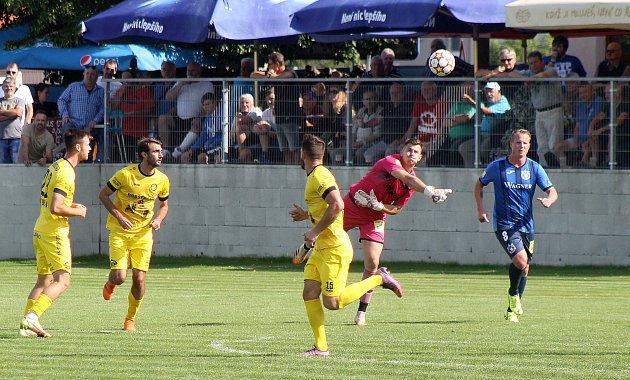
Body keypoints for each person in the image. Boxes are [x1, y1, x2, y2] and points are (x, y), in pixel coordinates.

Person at [288, 133, 403, 356]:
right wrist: (307, 216)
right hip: (321, 249)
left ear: (303, 154)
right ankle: (321, 348)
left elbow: (338, 204)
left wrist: (313, 231)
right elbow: (326, 207)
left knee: (332, 303)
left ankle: (379, 278)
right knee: (309, 292)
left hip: (334, 250)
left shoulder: (319, 177)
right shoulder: (316, 175)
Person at [337, 137, 452, 326]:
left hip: (374, 216)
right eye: (408, 149)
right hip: (354, 205)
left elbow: (396, 209)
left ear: (420, 158)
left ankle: (361, 313)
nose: (411, 153)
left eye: (416, 152)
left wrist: (379, 206)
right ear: (401, 150)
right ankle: (307, 246)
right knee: (325, 232)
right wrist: (431, 192)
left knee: (373, 263)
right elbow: (406, 177)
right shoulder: (390, 161)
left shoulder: (412, 185)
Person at [474, 129, 558, 323]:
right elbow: (479, 185)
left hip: (527, 226)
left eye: (525, 143)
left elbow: (552, 191)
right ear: (511, 144)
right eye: (518, 142)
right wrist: (480, 210)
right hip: (504, 224)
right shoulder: (498, 167)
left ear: (530, 146)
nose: (521, 146)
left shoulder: (535, 168)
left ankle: (511, 310)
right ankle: (513, 294)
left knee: (525, 268)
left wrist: (548, 200)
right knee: (520, 261)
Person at [19, 128, 91, 337]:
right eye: (87, 144)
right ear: (77, 147)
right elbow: (56, 207)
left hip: (40, 228)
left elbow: (53, 199)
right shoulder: (67, 172)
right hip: (54, 232)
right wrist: (77, 211)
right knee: (63, 280)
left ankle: (26, 326)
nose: (90, 148)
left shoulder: (57, 165)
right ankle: (32, 318)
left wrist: (70, 204)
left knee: (43, 281)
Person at [100, 137, 170, 333]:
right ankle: (111, 283)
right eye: (156, 151)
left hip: (143, 235)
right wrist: (119, 216)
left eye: (161, 151)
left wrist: (158, 219)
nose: (161, 154)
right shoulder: (125, 175)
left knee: (139, 278)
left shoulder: (162, 180)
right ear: (144, 155)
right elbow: (103, 195)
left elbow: (164, 205)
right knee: (120, 277)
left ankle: (130, 319)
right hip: (119, 231)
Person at [251, 52, 300, 164]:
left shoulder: (290, 72)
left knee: (294, 148)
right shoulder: (272, 74)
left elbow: (287, 76)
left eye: (270, 64)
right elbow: (252, 75)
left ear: (277, 64)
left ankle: (295, 170)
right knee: (284, 149)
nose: (268, 67)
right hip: (279, 117)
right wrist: (268, 75)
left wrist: (272, 76)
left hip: (290, 117)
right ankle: (288, 169)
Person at [158, 62, 214, 157]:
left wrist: (199, 118)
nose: (190, 73)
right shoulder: (180, 82)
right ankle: (166, 150)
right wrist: (181, 84)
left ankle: (178, 151)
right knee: (163, 118)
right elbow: (168, 97)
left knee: (197, 124)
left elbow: (208, 105)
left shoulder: (206, 84)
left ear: (199, 71)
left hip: (196, 119)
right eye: (188, 70)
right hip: (179, 119)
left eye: (193, 70)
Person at [519, 51, 564, 168]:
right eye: (530, 63)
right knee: (542, 147)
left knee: (553, 145)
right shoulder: (529, 73)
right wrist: (494, 73)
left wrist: (529, 80)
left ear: (541, 62)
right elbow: (512, 74)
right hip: (539, 113)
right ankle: (544, 172)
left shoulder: (550, 70)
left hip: (553, 111)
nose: (533, 66)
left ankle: (556, 170)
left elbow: (543, 76)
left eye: (535, 62)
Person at [57, 66, 105, 162]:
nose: (89, 76)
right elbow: (61, 100)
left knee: (92, 147)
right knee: (67, 132)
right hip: (74, 123)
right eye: (87, 73)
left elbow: (104, 108)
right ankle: (68, 159)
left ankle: (99, 161)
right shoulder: (73, 87)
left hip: (91, 126)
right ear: (83, 74)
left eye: (92, 74)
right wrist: (65, 114)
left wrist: (95, 120)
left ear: (97, 77)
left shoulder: (101, 91)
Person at [458, 82, 511, 167]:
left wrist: (471, 102)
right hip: (482, 136)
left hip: (496, 137)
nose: (489, 94)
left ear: (498, 91)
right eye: (486, 92)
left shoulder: (503, 102)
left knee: (483, 149)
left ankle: (488, 169)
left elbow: (487, 111)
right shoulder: (489, 102)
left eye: (491, 91)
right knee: (463, 148)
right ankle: (471, 170)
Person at [556, 83, 606, 168]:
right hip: (580, 138)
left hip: (594, 138)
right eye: (581, 93)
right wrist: (576, 140)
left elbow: (598, 118)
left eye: (585, 92)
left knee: (590, 141)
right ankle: (565, 168)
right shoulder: (580, 104)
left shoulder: (598, 101)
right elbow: (577, 125)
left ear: (592, 92)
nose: (582, 95)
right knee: (558, 147)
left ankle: (592, 164)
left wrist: (586, 139)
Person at [427, 82, 476, 167]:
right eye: (463, 90)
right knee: (435, 150)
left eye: (468, 90)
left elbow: (466, 118)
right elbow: (445, 122)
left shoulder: (475, 104)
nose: (465, 93)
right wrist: (435, 140)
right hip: (451, 137)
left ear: (473, 91)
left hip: (467, 137)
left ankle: (456, 171)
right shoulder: (457, 104)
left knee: (454, 148)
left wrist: (453, 119)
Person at [176, 92, 223, 164]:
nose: (205, 107)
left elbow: (224, 135)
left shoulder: (223, 115)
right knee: (184, 157)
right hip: (208, 147)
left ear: (214, 103)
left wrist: (210, 143)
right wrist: (191, 150)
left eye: (207, 104)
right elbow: (203, 136)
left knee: (202, 158)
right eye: (203, 105)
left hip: (220, 147)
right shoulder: (207, 118)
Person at [229, 93, 263, 162]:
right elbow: (231, 136)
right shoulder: (238, 116)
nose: (244, 105)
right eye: (242, 103)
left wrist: (239, 120)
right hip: (240, 145)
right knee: (221, 153)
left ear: (252, 104)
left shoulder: (256, 111)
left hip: (255, 143)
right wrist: (237, 124)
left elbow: (245, 120)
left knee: (244, 154)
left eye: (247, 102)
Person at [0, 77, 26, 163]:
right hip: (1, 138)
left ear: (15, 88)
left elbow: (18, 112)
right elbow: (15, 113)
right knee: (2, 166)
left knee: (16, 164)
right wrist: (12, 115)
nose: (9, 88)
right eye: (6, 86)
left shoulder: (20, 101)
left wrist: (3, 111)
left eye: (11, 86)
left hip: (16, 138)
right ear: (3, 87)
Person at [0, 62, 34, 127]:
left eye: (13, 72)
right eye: (8, 72)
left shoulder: (24, 89)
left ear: (18, 73)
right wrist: (13, 115)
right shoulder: (0, 89)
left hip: (19, 129)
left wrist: (27, 124)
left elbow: (30, 109)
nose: (11, 74)